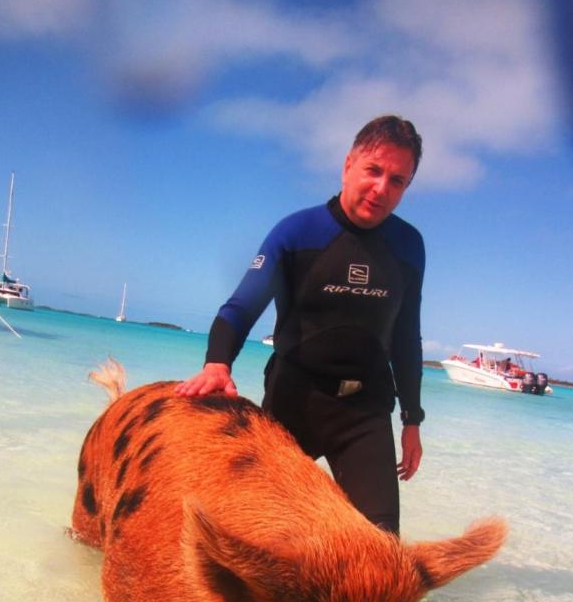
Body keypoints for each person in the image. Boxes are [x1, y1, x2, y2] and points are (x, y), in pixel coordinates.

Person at [176, 115, 425, 537]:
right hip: (294, 402)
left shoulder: (408, 246)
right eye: (374, 170)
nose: (382, 188)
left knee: (382, 552)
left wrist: (412, 420)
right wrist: (218, 363)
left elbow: (406, 338)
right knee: (251, 537)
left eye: (398, 180)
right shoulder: (297, 232)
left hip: (365, 414)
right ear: (349, 164)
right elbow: (241, 306)